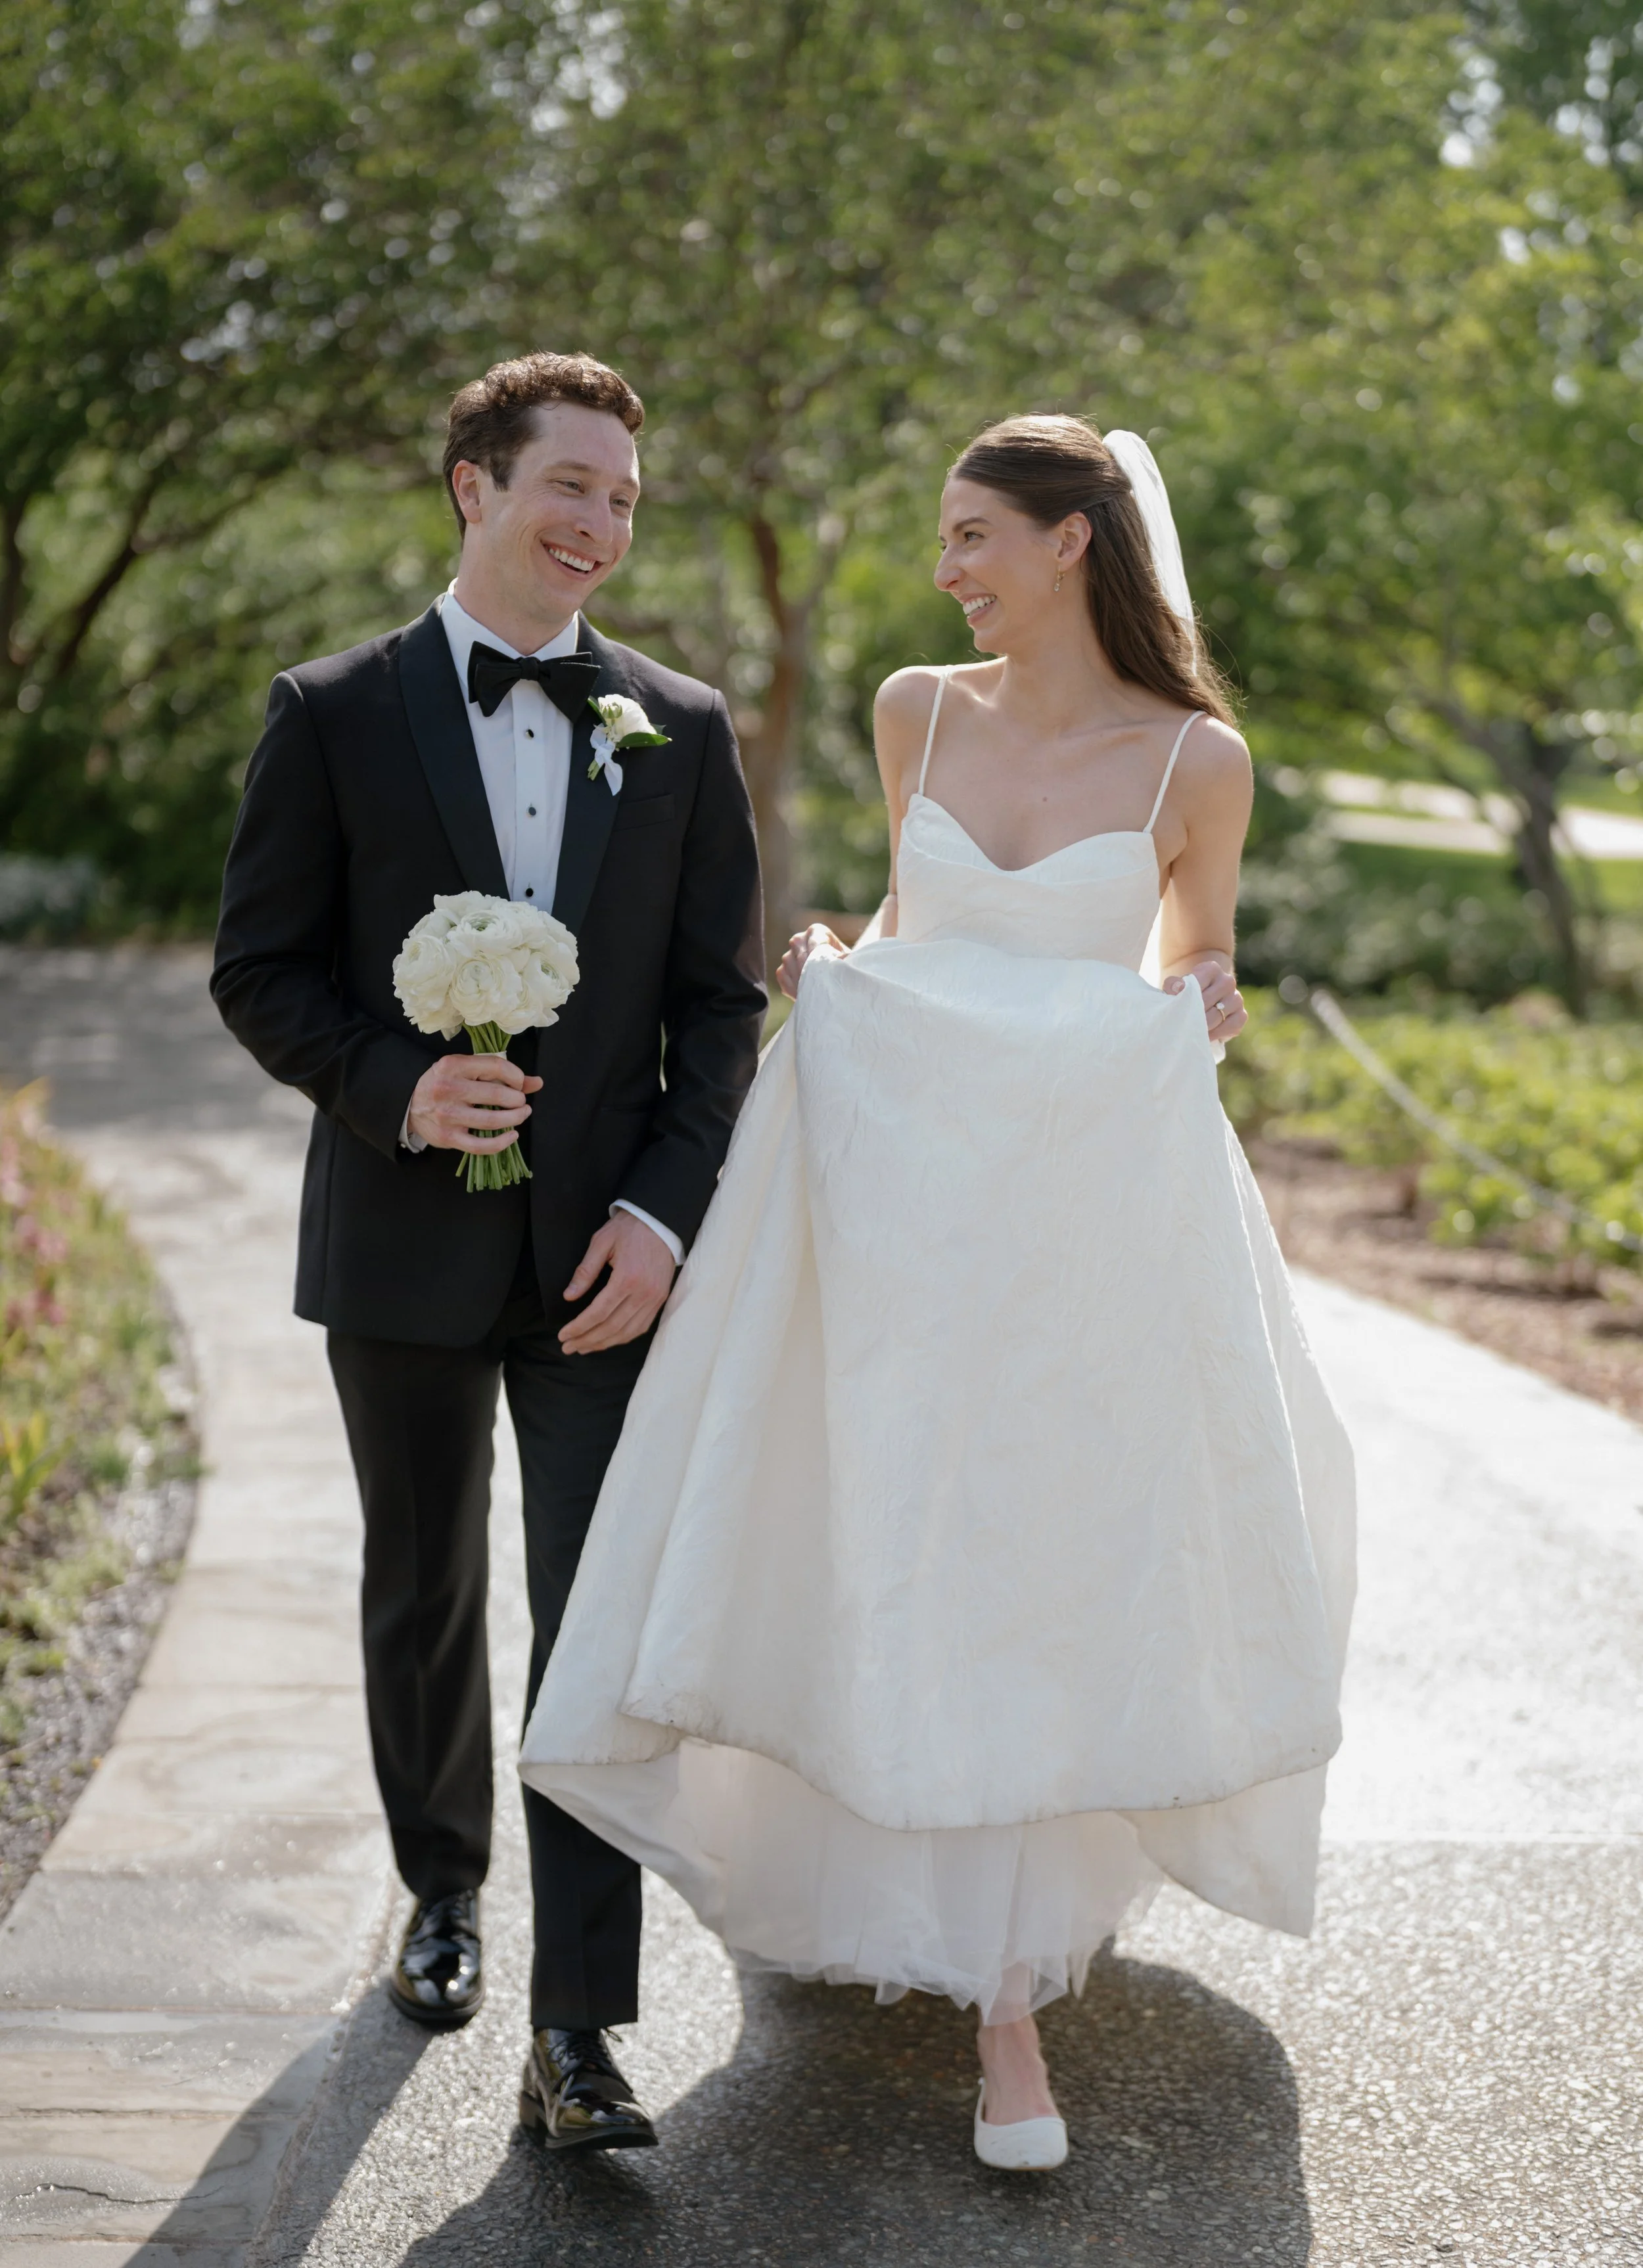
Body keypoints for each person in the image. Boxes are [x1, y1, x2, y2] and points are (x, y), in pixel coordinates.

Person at [520, 415, 1356, 2171]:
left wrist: (1202, 997)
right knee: (901, 1530)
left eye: (973, 533)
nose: (946, 567)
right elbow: (914, 924)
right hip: (906, 1195)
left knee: (1036, 1551)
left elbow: (1193, 950)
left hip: (1078, 1220)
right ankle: (948, 1927)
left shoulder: (1196, 759)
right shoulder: (914, 708)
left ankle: (1005, 2012)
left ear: (1071, 541)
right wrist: (843, 966)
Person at [211, 352, 766, 2151]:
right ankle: (440, 1891)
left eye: (623, 494)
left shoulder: (676, 726)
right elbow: (260, 968)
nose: (599, 521)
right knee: (425, 1586)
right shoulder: (334, 709)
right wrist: (392, 1084)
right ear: (473, 483)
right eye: (570, 484)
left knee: (591, 1629)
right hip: (396, 1241)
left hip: (603, 1260)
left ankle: (581, 2026)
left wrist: (664, 1214)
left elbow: (713, 1005)